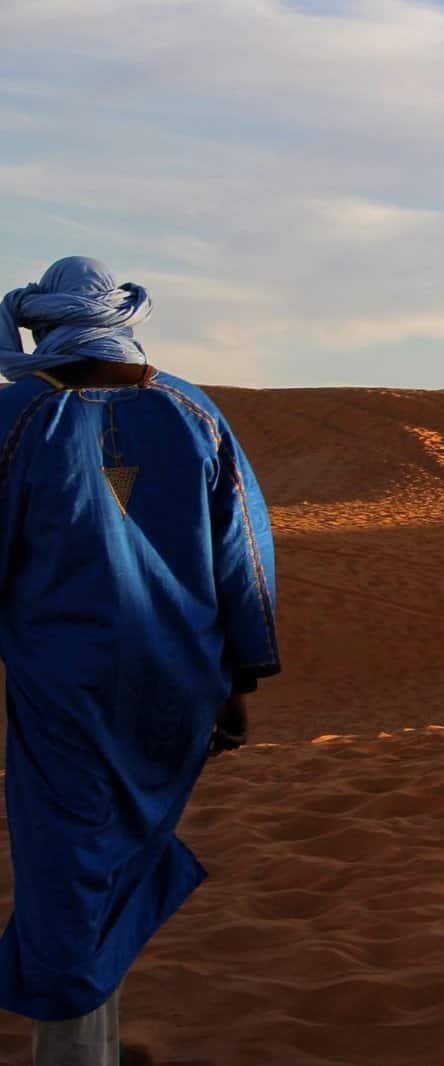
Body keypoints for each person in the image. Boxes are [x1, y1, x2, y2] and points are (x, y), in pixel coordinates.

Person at [0, 257, 280, 1065]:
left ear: (49, 325)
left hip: (66, 692)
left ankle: (76, 1054)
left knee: (67, 871)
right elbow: (247, 559)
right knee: (110, 857)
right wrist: (241, 677)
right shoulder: (194, 412)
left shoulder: (20, 417)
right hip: (177, 688)